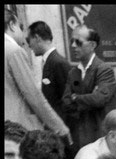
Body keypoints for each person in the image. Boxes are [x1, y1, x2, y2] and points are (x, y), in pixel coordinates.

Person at [4, 9, 70, 140]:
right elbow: (33, 95)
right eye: (20, 27)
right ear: (12, 25)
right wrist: (60, 127)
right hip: (16, 130)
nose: (24, 38)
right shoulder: (14, 51)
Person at [62, 24, 116, 153]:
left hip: (99, 137)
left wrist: (76, 98)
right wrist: (87, 98)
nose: (73, 46)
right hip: (80, 138)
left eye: (78, 42)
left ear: (92, 45)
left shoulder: (104, 69)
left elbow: (99, 99)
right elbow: (65, 102)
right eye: (72, 41)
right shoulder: (73, 72)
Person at [26, 21, 72, 121]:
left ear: (37, 38)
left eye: (28, 39)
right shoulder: (48, 62)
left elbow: (68, 101)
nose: (28, 45)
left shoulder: (58, 63)